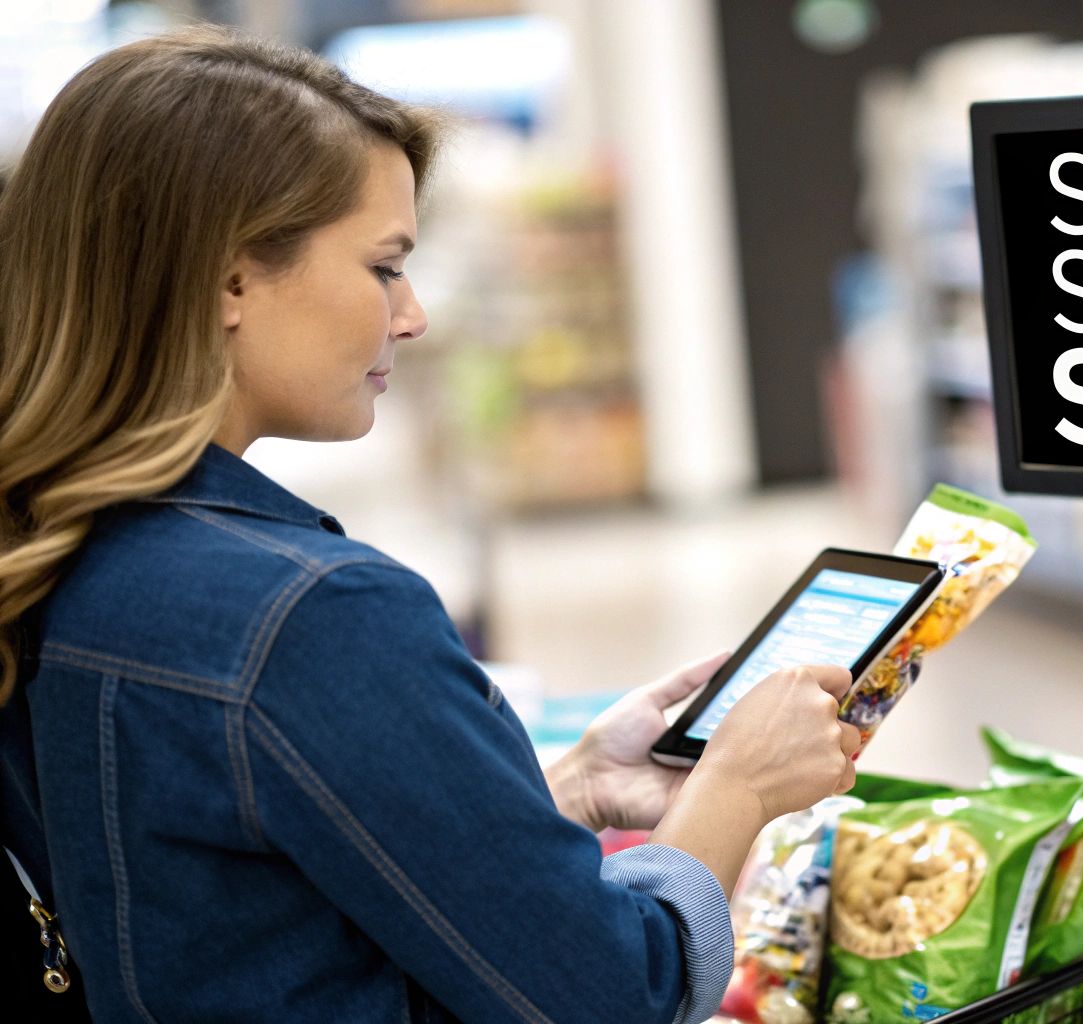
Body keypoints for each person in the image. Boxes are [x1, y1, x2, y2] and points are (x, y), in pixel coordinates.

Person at [0, 24, 861, 1023]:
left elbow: (225, 885)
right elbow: (611, 995)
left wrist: (567, 788)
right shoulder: (308, 617)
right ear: (229, 277)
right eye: (382, 267)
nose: (410, 316)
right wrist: (737, 787)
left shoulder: (46, 545)